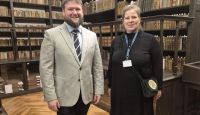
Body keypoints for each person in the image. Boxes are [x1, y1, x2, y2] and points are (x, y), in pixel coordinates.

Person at [39, 0, 104, 115]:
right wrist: (50, 96)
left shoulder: (92, 36)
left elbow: (97, 66)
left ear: (82, 11)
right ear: (63, 12)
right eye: (70, 9)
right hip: (63, 97)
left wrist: (98, 90)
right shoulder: (51, 35)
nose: (75, 12)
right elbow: (46, 69)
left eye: (78, 9)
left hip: (86, 94)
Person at [107, 4, 163, 115]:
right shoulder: (116, 41)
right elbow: (111, 66)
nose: (130, 20)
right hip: (119, 90)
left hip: (140, 91)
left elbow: (157, 65)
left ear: (139, 19)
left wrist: (159, 87)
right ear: (122, 21)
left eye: (134, 17)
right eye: (127, 18)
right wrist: (109, 85)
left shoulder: (150, 40)